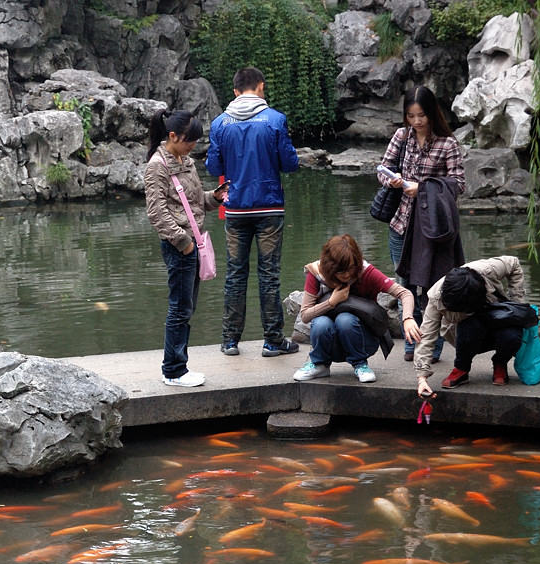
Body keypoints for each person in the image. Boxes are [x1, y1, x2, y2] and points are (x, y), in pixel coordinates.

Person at [206, 67, 300, 358]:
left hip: (235, 209)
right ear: (261, 86)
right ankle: (272, 341)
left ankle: (230, 341)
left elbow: (213, 168)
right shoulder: (275, 120)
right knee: (269, 275)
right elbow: (290, 163)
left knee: (235, 274)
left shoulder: (220, 123)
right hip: (269, 207)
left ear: (235, 91)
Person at [378, 85, 465, 363]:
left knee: (432, 288)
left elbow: (458, 184)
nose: (416, 121)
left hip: (432, 228)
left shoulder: (447, 144)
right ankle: (410, 341)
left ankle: (432, 345)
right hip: (401, 223)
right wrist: (391, 179)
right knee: (404, 285)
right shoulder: (401, 136)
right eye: (411, 116)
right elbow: (383, 168)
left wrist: (423, 187)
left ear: (432, 114)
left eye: (422, 116)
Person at [145, 109, 226, 387]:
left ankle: (179, 366)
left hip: (194, 241)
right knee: (179, 308)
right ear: (172, 136)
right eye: (189, 140)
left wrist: (214, 198)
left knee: (186, 308)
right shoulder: (157, 165)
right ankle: (174, 371)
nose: (193, 145)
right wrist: (184, 243)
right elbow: (157, 212)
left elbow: (191, 202)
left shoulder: (185, 160)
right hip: (180, 246)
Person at [293, 234, 421, 383]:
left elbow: (405, 293)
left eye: (351, 269)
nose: (347, 275)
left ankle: (360, 364)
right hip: (330, 342)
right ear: (330, 269)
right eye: (341, 272)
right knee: (321, 323)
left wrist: (408, 318)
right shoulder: (316, 273)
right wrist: (332, 302)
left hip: (362, 340)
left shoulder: (366, 271)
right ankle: (319, 364)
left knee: (345, 319)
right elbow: (305, 315)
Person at [415, 256, 527, 397]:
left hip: (496, 315)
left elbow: (514, 263)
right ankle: (461, 368)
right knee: (469, 325)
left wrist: (517, 304)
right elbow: (426, 336)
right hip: (464, 332)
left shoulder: (487, 270)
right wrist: (422, 378)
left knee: (512, 335)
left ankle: (500, 362)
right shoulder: (436, 297)